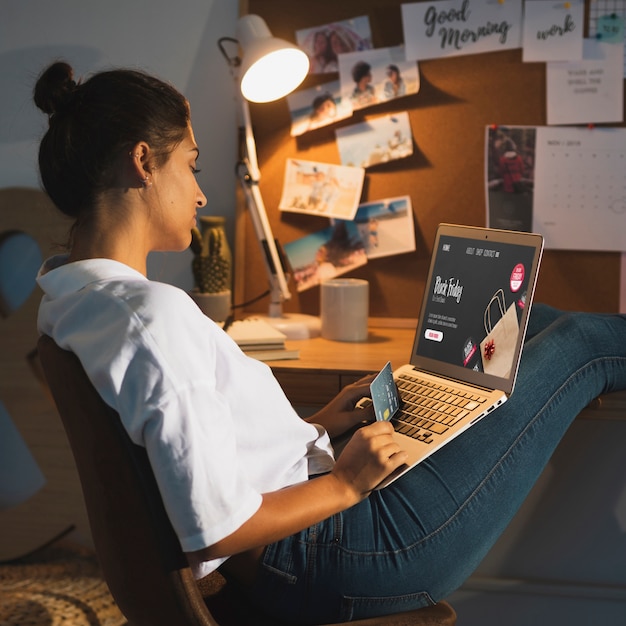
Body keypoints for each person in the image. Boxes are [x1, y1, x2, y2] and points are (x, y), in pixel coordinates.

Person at [34, 61, 626, 625]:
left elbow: (192, 449)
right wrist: (346, 482)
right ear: (143, 161)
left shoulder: (71, 297)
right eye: (190, 165)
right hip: (335, 554)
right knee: (583, 342)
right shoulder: (150, 317)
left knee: (536, 320)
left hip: (304, 538)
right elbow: (215, 526)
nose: (200, 193)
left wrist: (317, 427)